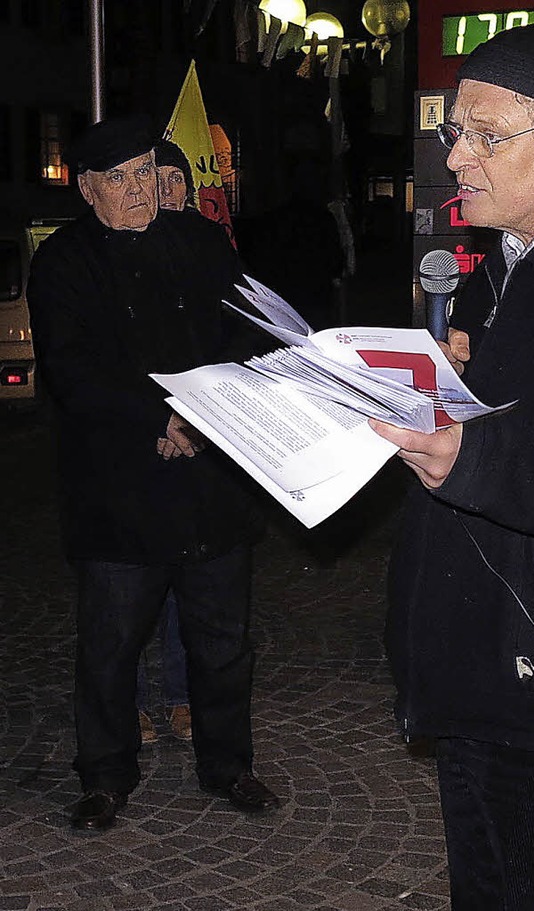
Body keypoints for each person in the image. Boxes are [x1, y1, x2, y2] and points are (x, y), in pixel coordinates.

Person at [371, 20, 534, 909]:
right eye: (455, 132)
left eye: (488, 135)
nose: (457, 158)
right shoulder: (507, 258)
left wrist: (476, 456)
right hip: (484, 673)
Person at [27, 116, 279, 832]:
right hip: (119, 487)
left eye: (145, 171)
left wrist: (206, 413)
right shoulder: (64, 263)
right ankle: (105, 776)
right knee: (109, 647)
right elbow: (73, 371)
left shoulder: (199, 240)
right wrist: (159, 418)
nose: (139, 189)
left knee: (224, 642)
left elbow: (246, 328)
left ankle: (230, 765)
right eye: (120, 178)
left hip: (210, 478)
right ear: (87, 189)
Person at [135, 139, 197, 747]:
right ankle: (128, 703)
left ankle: (181, 697)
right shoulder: (118, 254)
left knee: (188, 583)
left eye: (175, 179)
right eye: (155, 181)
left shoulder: (208, 251)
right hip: (137, 444)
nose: (165, 191)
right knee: (130, 586)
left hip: (199, 445)